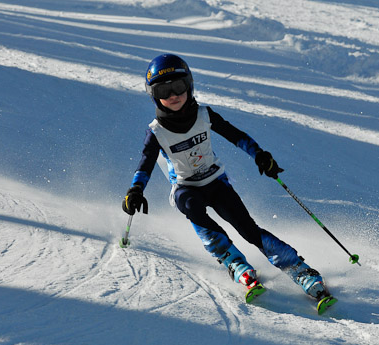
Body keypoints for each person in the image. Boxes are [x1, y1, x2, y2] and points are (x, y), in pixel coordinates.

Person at [123, 53, 330, 302]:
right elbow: (145, 164)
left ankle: (299, 270)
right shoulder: (156, 131)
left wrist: (260, 155)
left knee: (247, 228)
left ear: (189, 85)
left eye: (178, 87)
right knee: (191, 206)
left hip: (216, 182)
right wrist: (135, 190)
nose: (173, 95)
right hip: (185, 188)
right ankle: (234, 261)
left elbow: (236, 135)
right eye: (164, 92)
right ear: (154, 96)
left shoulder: (204, 115)